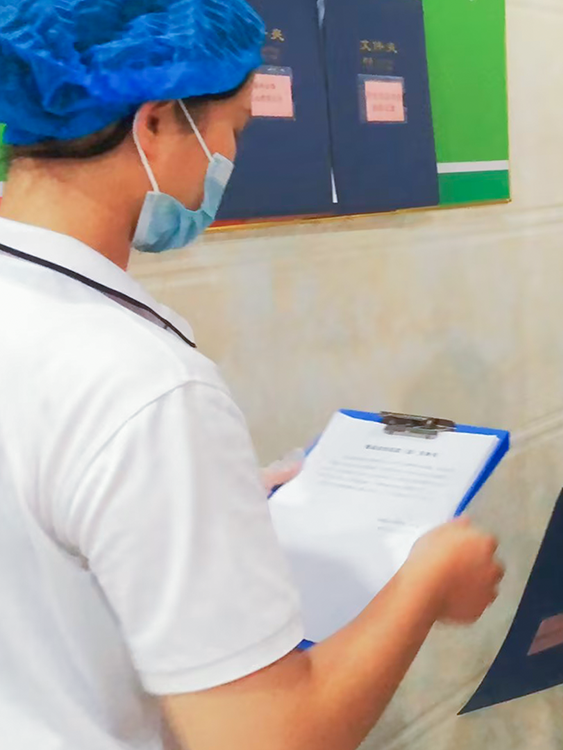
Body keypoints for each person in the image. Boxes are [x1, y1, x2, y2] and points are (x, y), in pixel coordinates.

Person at [0, 3, 504, 750]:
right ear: (156, 123)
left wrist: (212, 500)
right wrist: (428, 580)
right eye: (234, 127)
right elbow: (271, 737)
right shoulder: (146, 388)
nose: (229, 158)